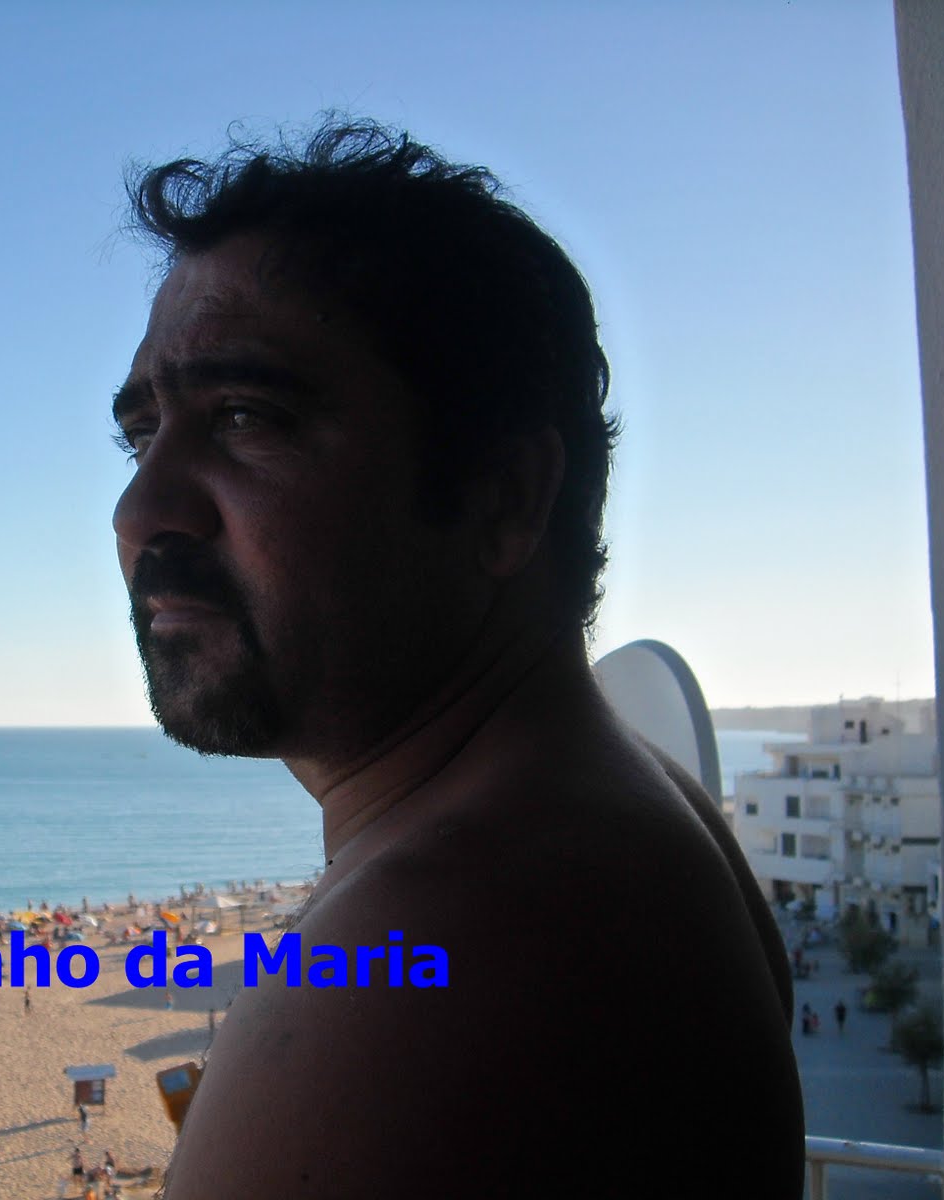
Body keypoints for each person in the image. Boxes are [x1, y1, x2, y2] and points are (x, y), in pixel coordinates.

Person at [108, 117, 804, 1198]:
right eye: (142, 432)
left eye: (246, 417)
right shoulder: (626, 806)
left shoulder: (422, 962)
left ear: (502, 498)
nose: (141, 509)